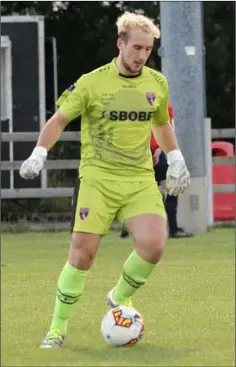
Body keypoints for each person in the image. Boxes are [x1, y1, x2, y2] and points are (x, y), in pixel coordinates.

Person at [19, 11, 190, 349]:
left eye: (148, 49)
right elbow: (59, 120)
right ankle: (57, 329)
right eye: (137, 47)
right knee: (83, 254)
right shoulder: (92, 82)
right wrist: (40, 152)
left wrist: (176, 159)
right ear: (120, 44)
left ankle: (119, 295)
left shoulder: (156, 83)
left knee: (154, 246)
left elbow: (160, 124)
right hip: (97, 178)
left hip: (138, 178)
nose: (142, 55)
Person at [151, 104, 194, 238]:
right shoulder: (164, 105)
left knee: (167, 190)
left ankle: (168, 229)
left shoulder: (165, 106)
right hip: (154, 151)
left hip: (148, 152)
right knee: (169, 191)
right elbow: (168, 129)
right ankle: (171, 229)